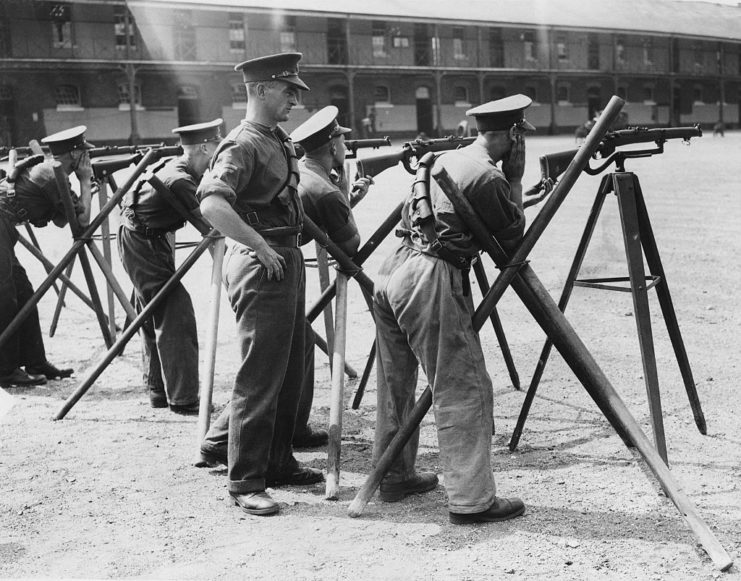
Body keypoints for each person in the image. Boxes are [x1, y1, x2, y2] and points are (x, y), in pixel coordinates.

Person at [372, 94, 533, 523]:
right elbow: (513, 240)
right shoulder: (489, 176)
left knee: (396, 382)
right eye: (521, 137)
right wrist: (514, 179)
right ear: (513, 135)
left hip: (393, 270)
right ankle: (472, 500)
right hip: (430, 276)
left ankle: (394, 476)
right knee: (463, 385)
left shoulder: (447, 158)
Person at [197, 52, 322, 517]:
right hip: (262, 260)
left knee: (289, 366)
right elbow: (212, 204)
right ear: (261, 90)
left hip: (284, 256)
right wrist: (260, 246)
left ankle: (278, 461)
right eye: (288, 90)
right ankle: (245, 480)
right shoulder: (242, 143)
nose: (295, 98)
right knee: (260, 373)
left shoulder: (277, 138)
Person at [117, 118, 222, 414]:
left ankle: (159, 391)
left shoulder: (182, 168)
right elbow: (212, 224)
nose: (219, 151)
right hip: (142, 242)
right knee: (175, 312)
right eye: (216, 145)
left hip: (147, 237)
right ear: (204, 146)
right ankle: (184, 398)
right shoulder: (179, 180)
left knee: (154, 313)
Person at [291, 105, 372, 446]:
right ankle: (221, 437)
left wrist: (346, 197)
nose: (345, 146)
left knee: (297, 347)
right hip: (277, 265)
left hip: (273, 259)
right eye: (342, 140)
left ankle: (295, 430)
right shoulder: (326, 191)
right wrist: (347, 197)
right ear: (333, 148)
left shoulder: (305, 171)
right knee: (279, 356)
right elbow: (350, 246)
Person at [0, 126, 95, 387]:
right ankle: (5, 371)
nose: (86, 160)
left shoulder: (52, 170)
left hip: (5, 227)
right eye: (83, 155)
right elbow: (82, 221)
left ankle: (35, 361)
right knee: (5, 297)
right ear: (74, 154)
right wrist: (86, 181)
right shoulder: (54, 176)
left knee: (24, 292)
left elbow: (63, 220)